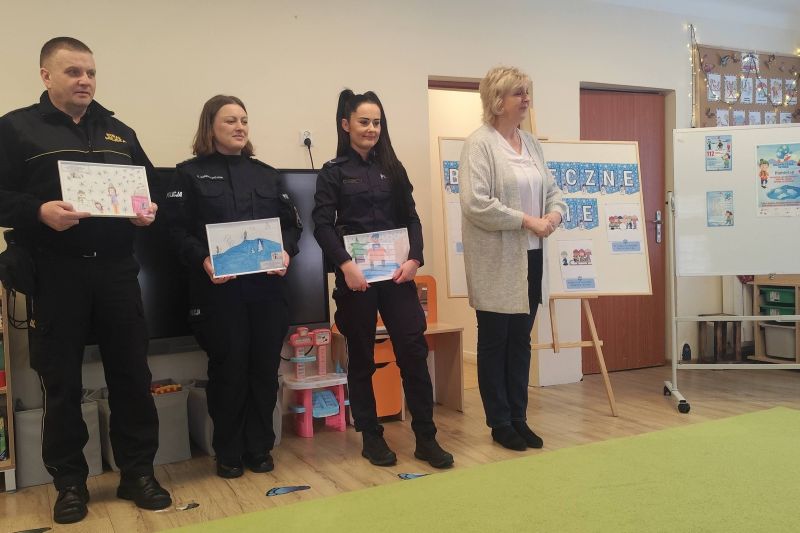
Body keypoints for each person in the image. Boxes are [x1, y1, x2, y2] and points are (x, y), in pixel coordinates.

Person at [0, 37, 171, 523]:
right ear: (46, 76)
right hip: (56, 272)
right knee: (61, 382)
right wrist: (38, 210)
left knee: (132, 376)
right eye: (73, 72)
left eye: (91, 72)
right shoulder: (15, 128)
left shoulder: (119, 131)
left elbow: (150, 188)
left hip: (116, 271)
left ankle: (138, 473)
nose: (85, 81)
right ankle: (70, 484)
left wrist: (147, 210)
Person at [313, 90, 453, 469]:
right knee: (361, 357)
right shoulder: (333, 171)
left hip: (396, 277)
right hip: (356, 280)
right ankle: (371, 437)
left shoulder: (393, 167)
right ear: (346, 124)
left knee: (413, 351)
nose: (371, 129)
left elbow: (412, 219)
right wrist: (345, 265)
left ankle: (426, 438)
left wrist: (415, 259)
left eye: (377, 122)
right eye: (364, 122)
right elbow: (322, 225)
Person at [165, 95, 302, 478]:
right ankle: (227, 451)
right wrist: (202, 259)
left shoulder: (267, 175)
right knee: (229, 372)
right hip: (218, 293)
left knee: (264, 370)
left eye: (243, 120)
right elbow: (173, 231)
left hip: (267, 292)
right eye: (230, 121)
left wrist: (287, 251)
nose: (239, 127)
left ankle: (259, 448)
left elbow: (292, 226)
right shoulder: (188, 174)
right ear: (210, 126)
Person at [459, 66, 566, 452]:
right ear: (496, 100)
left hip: (531, 259)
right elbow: (475, 203)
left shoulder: (531, 144)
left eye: (527, 92)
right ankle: (500, 422)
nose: (526, 99)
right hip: (496, 261)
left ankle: (519, 417)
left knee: (520, 342)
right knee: (495, 342)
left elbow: (552, 190)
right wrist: (526, 220)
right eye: (518, 93)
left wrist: (554, 214)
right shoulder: (479, 145)